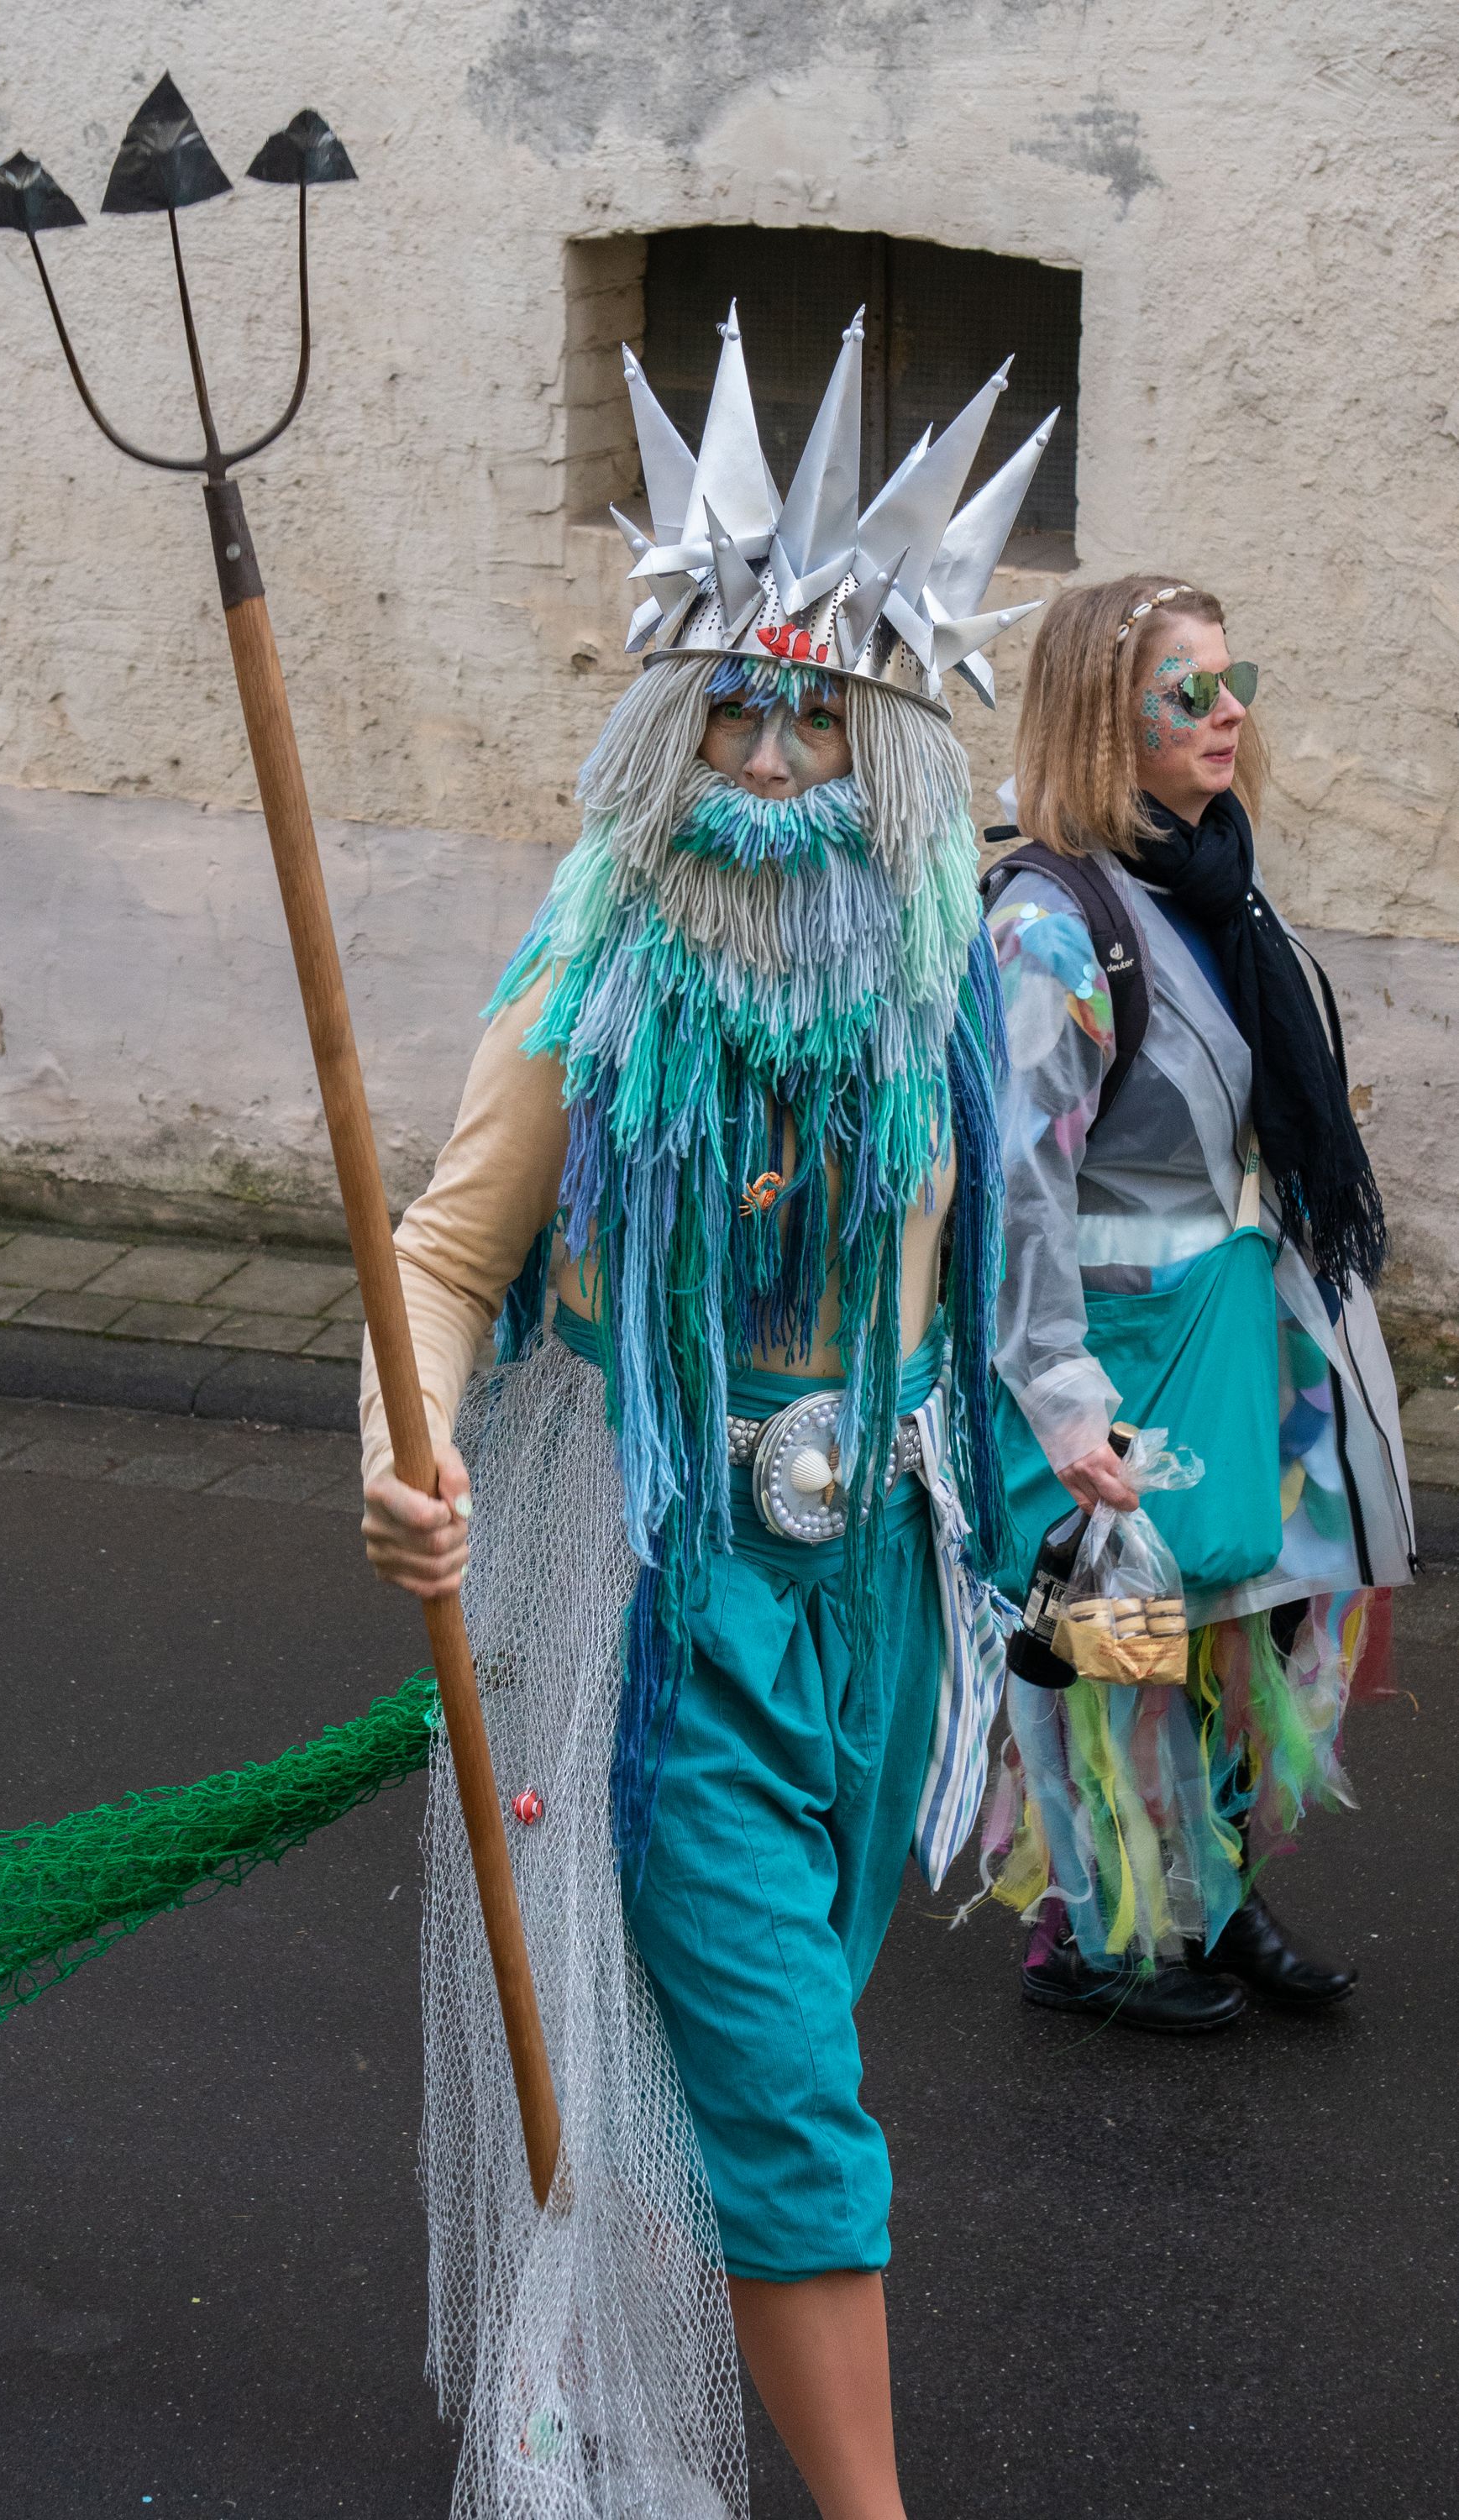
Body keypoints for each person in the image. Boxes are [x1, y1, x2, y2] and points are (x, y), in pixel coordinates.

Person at [359, 305, 1047, 2520]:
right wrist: (410, 1449)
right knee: (793, 2098)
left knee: (761, 2061)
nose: (770, 764)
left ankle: (657, 2376)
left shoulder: (946, 985)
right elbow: (444, 1260)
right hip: (682, 1620)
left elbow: (997, 1314)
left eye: (818, 718)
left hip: (881, 1621)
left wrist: (1075, 1491)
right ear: (672, 731)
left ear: (899, 751)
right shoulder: (608, 966)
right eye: (732, 713)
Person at [980, 574, 1414, 2030]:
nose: (1229, 712)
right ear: (1108, 718)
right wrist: (1055, 1396)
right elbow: (1020, 1188)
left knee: (1244, 1619)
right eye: (1188, 690)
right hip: (1116, 1340)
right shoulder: (1049, 927)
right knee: (1117, 1645)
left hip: (1232, 1319)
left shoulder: (1208, 872)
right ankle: (1098, 1936)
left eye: (1235, 680)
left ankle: (1208, 1902)